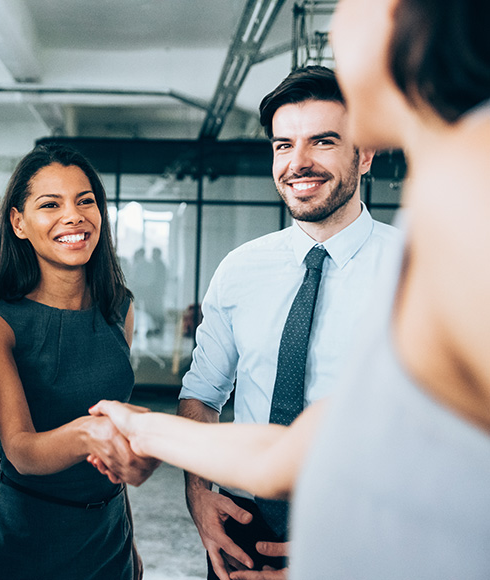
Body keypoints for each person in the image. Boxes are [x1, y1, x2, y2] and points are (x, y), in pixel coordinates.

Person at [94, 0, 490, 578]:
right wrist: (144, 431)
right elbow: (290, 451)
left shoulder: (466, 194)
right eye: (284, 144)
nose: (337, 23)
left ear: (402, 15)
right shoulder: (446, 201)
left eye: (352, 5)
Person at [176, 66, 403, 579]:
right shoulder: (239, 269)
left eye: (323, 141)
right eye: (283, 145)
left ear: (365, 153)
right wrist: (198, 495)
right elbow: (202, 395)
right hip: (241, 528)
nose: (298, 163)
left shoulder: (417, 271)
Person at [0, 144, 159, 580]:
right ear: (18, 222)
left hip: (108, 537)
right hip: (26, 539)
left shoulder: (118, 308)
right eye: (51, 204)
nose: (73, 216)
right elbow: (21, 450)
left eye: (85, 201)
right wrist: (91, 433)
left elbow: (110, 459)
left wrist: (128, 539)